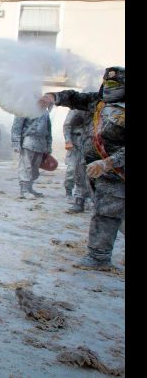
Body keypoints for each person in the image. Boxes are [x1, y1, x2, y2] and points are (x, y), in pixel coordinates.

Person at [39, 67, 125, 270]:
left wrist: (108, 163)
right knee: (110, 212)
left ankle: (99, 258)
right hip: (98, 173)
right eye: (108, 84)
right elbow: (74, 97)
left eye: (116, 85)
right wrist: (53, 96)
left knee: (106, 213)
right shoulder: (98, 101)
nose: (110, 89)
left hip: (116, 173)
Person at [11, 112, 52, 199]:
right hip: (28, 141)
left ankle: (29, 188)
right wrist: (16, 143)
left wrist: (48, 146)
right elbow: (16, 127)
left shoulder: (45, 112)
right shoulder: (25, 108)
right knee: (26, 167)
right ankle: (24, 190)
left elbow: (48, 130)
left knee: (35, 168)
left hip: (41, 143)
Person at [63, 108, 91, 212]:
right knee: (76, 172)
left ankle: (88, 198)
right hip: (77, 144)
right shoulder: (76, 109)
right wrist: (68, 141)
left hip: (92, 143)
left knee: (90, 174)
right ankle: (76, 198)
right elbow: (67, 125)